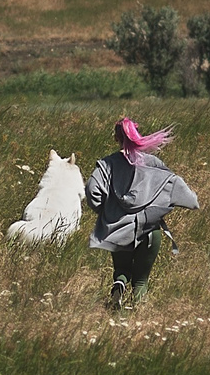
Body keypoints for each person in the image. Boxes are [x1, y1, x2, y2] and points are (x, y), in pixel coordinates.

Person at [86, 118, 200, 310]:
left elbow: (91, 191)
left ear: (116, 138)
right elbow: (188, 197)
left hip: (119, 229)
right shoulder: (153, 163)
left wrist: (106, 212)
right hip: (149, 230)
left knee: (121, 270)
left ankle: (119, 286)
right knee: (140, 281)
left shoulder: (107, 164)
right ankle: (138, 314)